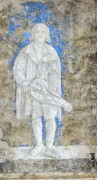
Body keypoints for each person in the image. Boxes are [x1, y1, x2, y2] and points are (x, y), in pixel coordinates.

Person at [13, 23, 72, 157]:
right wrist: (26, 83)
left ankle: (50, 147)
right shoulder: (26, 52)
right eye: (37, 32)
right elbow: (18, 71)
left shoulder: (51, 52)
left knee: (50, 118)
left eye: (42, 32)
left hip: (48, 91)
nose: (40, 34)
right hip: (32, 91)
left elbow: (56, 72)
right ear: (33, 35)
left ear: (46, 35)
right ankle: (39, 144)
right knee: (36, 117)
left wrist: (47, 85)